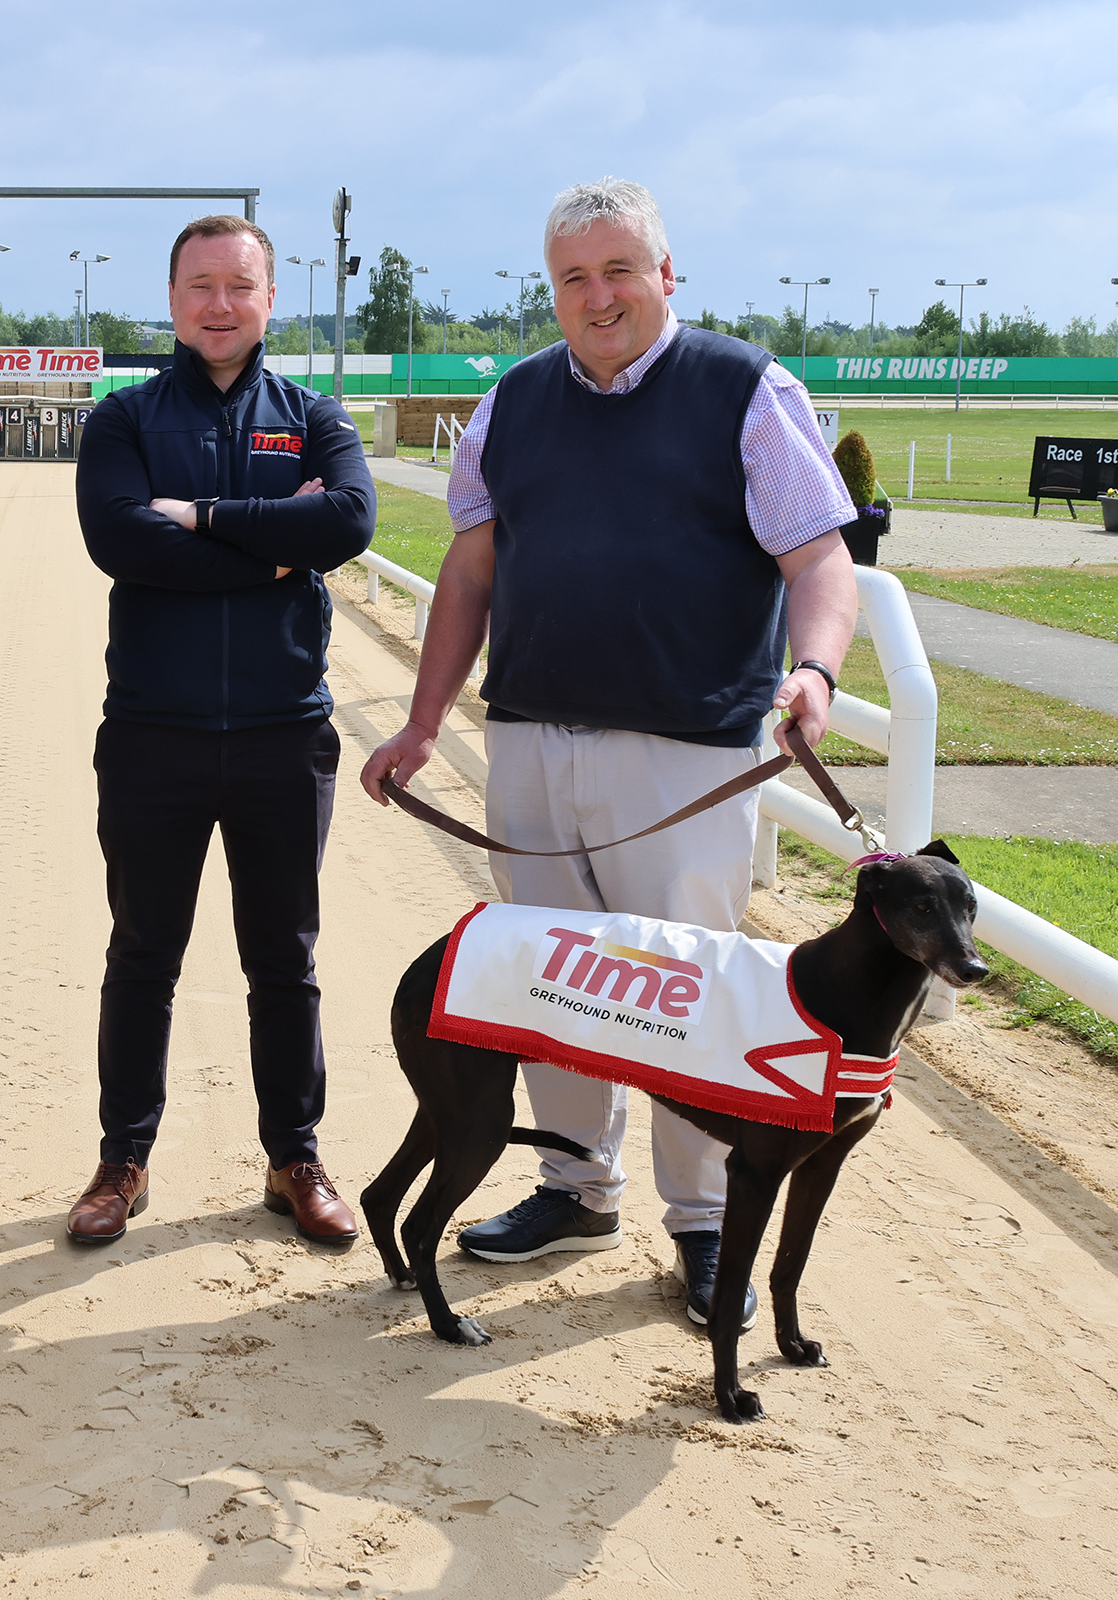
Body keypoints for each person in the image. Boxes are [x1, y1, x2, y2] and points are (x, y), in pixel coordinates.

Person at [359, 177, 859, 1327]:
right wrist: (423, 722)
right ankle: (574, 1186)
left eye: (618, 270)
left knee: (685, 994)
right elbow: (469, 572)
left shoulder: (746, 389)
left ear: (665, 273)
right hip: (531, 737)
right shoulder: (511, 401)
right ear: (550, 291)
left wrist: (816, 671)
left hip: (684, 752)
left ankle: (701, 1222)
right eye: (572, 278)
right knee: (550, 980)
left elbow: (817, 559)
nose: (596, 297)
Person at [69, 215, 376, 1246]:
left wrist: (198, 516)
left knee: (282, 959)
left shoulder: (313, 415)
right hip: (151, 732)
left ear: (269, 298)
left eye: (238, 285)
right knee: (142, 953)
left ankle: (294, 1155)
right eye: (199, 285)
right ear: (170, 298)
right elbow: (120, 540)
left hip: (284, 735)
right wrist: (276, 544)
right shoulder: (124, 419)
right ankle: (123, 1157)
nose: (218, 304)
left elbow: (347, 521)